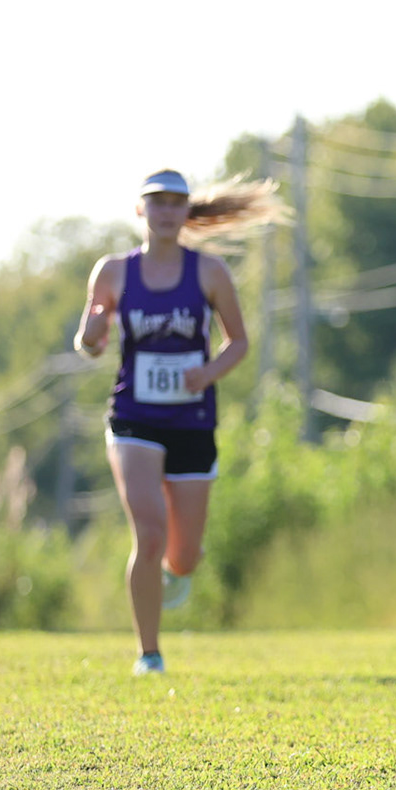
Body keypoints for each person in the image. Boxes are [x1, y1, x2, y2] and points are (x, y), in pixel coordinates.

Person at [74, 168, 282, 677]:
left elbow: (240, 342)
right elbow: (90, 342)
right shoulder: (113, 272)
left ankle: (175, 569)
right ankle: (149, 653)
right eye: (157, 203)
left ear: (187, 212)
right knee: (148, 532)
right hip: (133, 419)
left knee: (183, 556)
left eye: (175, 203)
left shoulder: (209, 273)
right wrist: (93, 332)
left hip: (192, 420)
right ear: (141, 211)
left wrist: (205, 373)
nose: (166, 212)